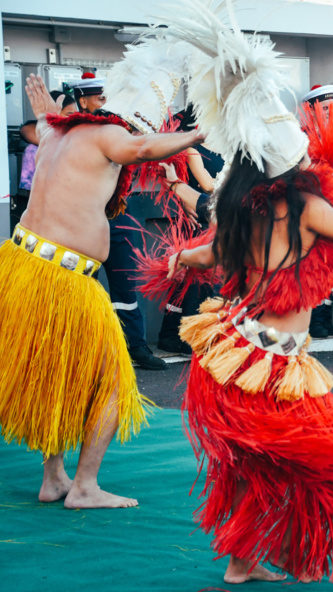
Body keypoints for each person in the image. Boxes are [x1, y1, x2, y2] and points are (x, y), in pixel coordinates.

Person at [148, 11, 333, 584]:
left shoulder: (237, 208)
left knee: (262, 464)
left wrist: (176, 259)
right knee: (322, 457)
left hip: (231, 349)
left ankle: (246, 560)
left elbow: (205, 257)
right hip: (272, 362)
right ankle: (292, 555)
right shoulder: (304, 205)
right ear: (290, 162)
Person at [0, 48, 201, 509]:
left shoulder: (57, 130)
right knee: (111, 382)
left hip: (22, 266)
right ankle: (85, 487)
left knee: (56, 373)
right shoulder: (111, 134)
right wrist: (196, 133)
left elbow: (49, 123)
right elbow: (143, 149)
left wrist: (47, 114)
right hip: (63, 279)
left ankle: (54, 479)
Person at [70, 74, 168, 370]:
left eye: (108, 99)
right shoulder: (72, 133)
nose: (105, 105)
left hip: (118, 215)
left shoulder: (118, 130)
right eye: (100, 98)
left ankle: (135, 346)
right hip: (83, 219)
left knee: (126, 285)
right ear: (82, 101)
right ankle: (84, 351)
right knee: (84, 290)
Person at [157, 105, 224, 356]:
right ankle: (183, 335)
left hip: (211, 215)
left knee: (194, 280)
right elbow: (207, 183)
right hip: (197, 218)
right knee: (192, 278)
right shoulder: (192, 147)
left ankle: (178, 335)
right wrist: (235, 187)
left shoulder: (224, 146)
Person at [302, 84, 333, 338]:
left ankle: (325, 316)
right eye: (324, 108)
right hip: (313, 206)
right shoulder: (302, 137)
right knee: (314, 265)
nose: (330, 112)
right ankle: (313, 320)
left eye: (332, 107)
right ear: (312, 110)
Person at [13, 90, 78, 231]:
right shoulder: (33, 150)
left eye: (76, 115)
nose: (74, 120)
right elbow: (32, 194)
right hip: (45, 219)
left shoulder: (77, 141)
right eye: (69, 115)